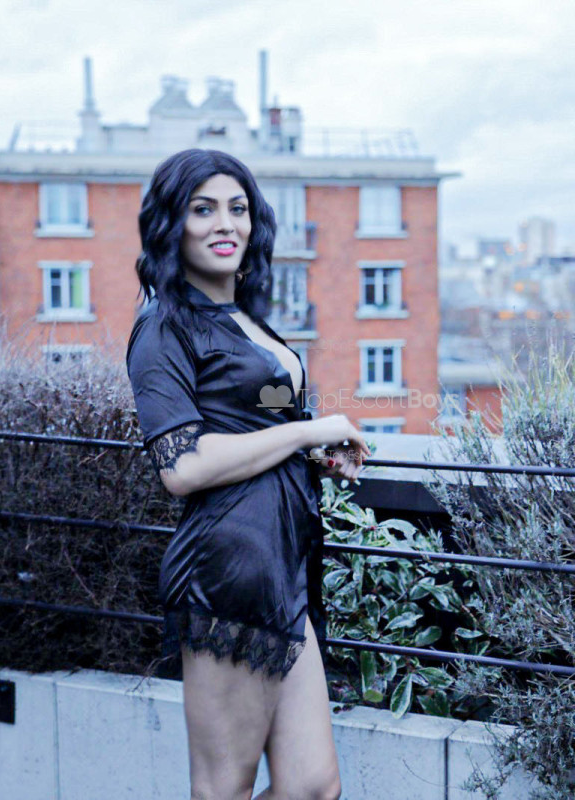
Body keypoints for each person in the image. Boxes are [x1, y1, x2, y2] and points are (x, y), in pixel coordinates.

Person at [126, 148, 369, 800]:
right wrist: (308, 431)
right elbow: (182, 466)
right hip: (227, 573)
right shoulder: (163, 327)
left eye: (237, 208)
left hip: (283, 564)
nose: (224, 223)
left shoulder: (243, 317)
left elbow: (251, 423)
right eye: (202, 209)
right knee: (223, 789)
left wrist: (314, 454)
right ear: (172, 224)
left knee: (313, 786)